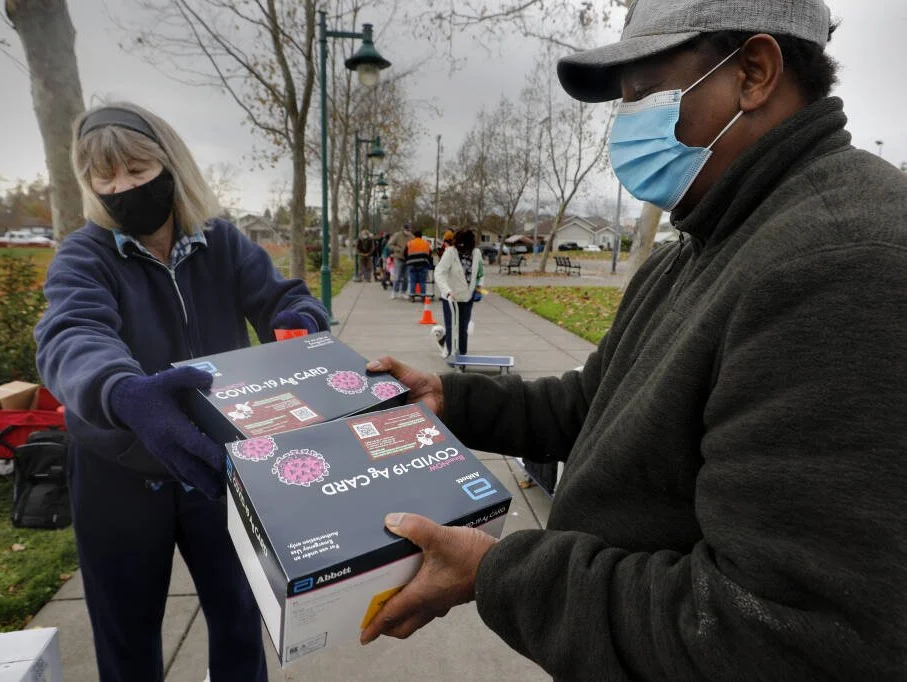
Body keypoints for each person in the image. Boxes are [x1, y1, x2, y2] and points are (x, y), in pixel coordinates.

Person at [359, 1, 907, 680]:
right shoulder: (703, 243)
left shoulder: (839, 262)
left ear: (754, 73)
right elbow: (597, 404)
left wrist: (497, 571)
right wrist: (451, 399)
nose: (624, 124)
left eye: (644, 91)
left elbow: (779, 634)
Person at [34, 102, 329, 682]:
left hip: (215, 464)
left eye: (137, 169)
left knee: (241, 619)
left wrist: (301, 322)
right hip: (116, 472)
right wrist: (123, 392)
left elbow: (281, 298)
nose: (122, 187)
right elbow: (71, 332)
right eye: (105, 177)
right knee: (127, 636)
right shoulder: (84, 256)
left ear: (171, 164)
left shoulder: (221, 243)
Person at [433, 229, 483, 358]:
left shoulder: (476, 253)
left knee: (463, 328)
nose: (462, 248)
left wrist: (478, 288)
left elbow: (480, 273)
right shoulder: (450, 253)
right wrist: (447, 291)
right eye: (459, 244)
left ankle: (462, 354)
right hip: (451, 297)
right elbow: (439, 273)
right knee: (452, 327)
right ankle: (451, 353)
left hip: (467, 297)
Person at [385, 223, 412, 299]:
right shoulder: (397, 235)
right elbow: (389, 245)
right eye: (407, 230)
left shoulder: (411, 236)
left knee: (406, 277)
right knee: (397, 276)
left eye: (410, 230)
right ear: (403, 229)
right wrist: (398, 249)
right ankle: (394, 291)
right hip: (398, 258)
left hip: (408, 259)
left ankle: (403, 292)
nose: (408, 231)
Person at [404, 229, 432, 299]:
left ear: (414, 236)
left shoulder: (410, 243)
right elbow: (430, 254)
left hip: (412, 264)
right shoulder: (426, 243)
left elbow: (405, 253)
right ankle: (423, 296)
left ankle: (412, 296)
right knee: (422, 281)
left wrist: (408, 260)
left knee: (413, 281)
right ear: (421, 236)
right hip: (423, 264)